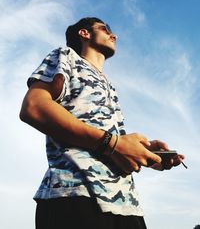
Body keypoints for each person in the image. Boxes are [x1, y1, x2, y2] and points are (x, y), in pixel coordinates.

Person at [20, 17, 185, 229]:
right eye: (105, 29)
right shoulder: (66, 57)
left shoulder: (109, 84)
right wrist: (113, 143)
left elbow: (111, 142)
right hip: (75, 196)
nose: (113, 35)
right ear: (84, 33)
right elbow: (34, 107)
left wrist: (149, 155)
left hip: (125, 204)